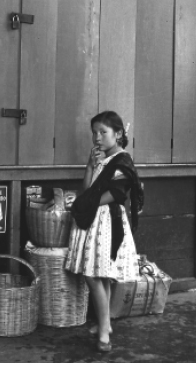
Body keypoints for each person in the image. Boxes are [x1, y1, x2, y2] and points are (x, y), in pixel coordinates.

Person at [64, 110, 144, 352]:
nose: (97, 137)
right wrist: (90, 165)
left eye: (103, 132)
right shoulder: (102, 159)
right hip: (95, 219)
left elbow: (117, 193)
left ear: (118, 134)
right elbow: (87, 188)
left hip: (108, 220)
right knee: (100, 273)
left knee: (93, 275)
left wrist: (87, 204)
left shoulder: (122, 161)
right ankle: (105, 324)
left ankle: (104, 334)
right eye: (94, 133)